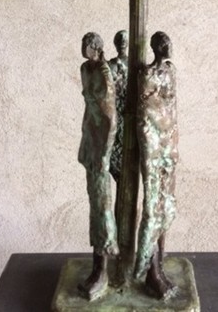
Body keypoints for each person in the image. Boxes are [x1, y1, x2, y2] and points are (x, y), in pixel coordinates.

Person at [134, 31, 178, 299]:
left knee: (168, 203)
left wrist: (173, 142)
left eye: (168, 43)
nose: (168, 47)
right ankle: (150, 270)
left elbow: (173, 109)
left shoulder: (171, 71)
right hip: (152, 145)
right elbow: (147, 113)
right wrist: (163, 131)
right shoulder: (147, 75)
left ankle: (159, 262)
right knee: (152, 206)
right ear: (155, 47)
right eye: (163, 44)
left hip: (168, 145)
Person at [78, 32, 118, 301]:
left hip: (102, 146)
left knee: (102, 206)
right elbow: (89, 109)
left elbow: (110, 117)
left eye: (86, 45)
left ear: (96, 47)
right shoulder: (85, 69)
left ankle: (102, 266)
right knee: (94, 202)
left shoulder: (104, 73)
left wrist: (105, 153)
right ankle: (98, 266)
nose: (83, 49)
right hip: (90, 142)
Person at [108, 30, 128, 187]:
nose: (122, 42)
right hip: (116, 114)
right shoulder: (110, 66)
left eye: (124, 40)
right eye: (119, 40)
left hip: (130, 116)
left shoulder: (136, 65)